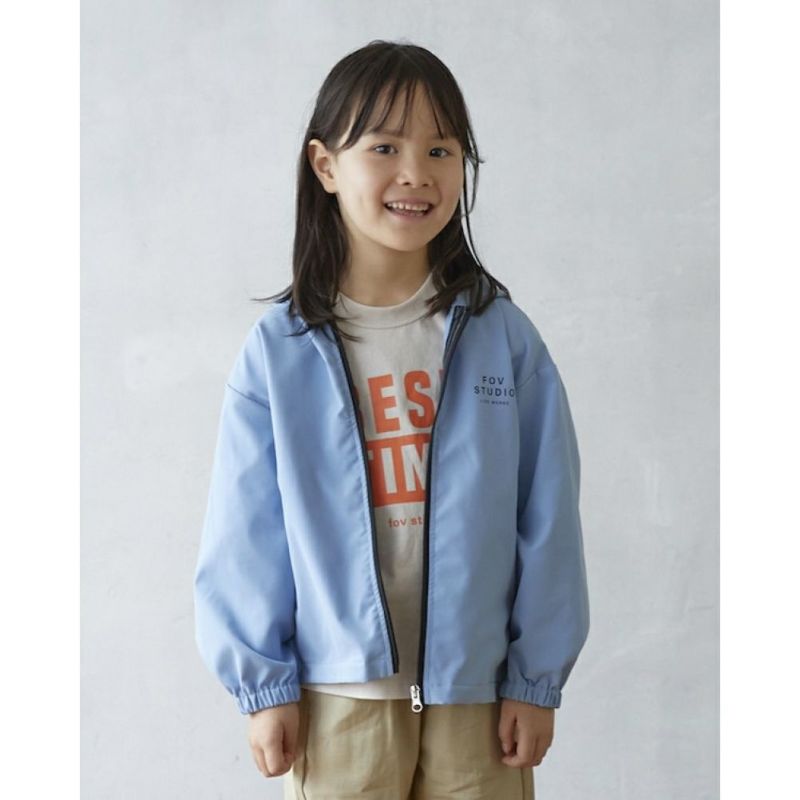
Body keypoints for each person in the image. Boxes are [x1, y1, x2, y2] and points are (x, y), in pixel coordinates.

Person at [193, 39, 591, 799]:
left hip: (477, 697)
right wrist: (263, 684)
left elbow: (548, 516)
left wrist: (535, 678)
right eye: (384, 147)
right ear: (325, 166)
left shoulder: (503, 338)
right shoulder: (280, 351)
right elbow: (245, 530)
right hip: (337, 697)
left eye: (441, 149)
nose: (416, 172)